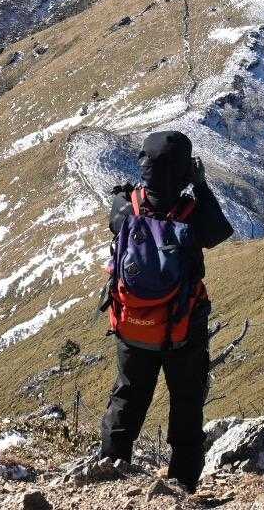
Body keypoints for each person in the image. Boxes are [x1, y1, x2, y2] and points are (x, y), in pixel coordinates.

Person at [98, 129, 234, 491]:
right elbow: (218, 233)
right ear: (184, 169)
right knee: (186, 399)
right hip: (182, 325)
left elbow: (115, 224)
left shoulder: (125, 206)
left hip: (133, 323)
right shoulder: (192, 213)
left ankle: (109, 470)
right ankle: (181, 483)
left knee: (128, 394)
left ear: (145, 165)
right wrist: (200, 185)